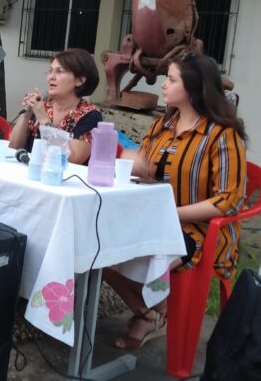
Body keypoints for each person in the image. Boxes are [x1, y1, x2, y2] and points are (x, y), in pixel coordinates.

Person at [104, 52, 247, 350]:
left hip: (201, 230)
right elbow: (146, 167)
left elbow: (228, 200)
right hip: (158, 218)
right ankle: (149, 312)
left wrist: (172, 214)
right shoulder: (165, 124)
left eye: (171, 80)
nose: (163, 85)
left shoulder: (222, 135)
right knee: (100, 247)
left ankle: (154, 313)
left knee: (142, 254)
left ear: (194, 87)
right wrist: (132, 161)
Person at [8, 48, 102, 165]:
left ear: (80, 80)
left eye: (59, 71)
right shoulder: (42, 105)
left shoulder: (91, 115)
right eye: (50, 71)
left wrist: (44, 120)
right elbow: (13, 147)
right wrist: (26, 115)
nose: (51, 77)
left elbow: (74, 158)